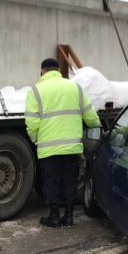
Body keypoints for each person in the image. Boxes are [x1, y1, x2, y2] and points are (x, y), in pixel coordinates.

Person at [25, 58, 101, 228]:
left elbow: (32, 122)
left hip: (48, 147)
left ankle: (54, 216)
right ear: (58, 70)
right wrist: (97, 128)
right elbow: (89, 114)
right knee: (69, 180)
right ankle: (68, 217)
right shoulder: (75, 87)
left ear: (42, 71)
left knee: (52, 181)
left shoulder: (36, 90)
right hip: (71, 147)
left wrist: (36, 139)